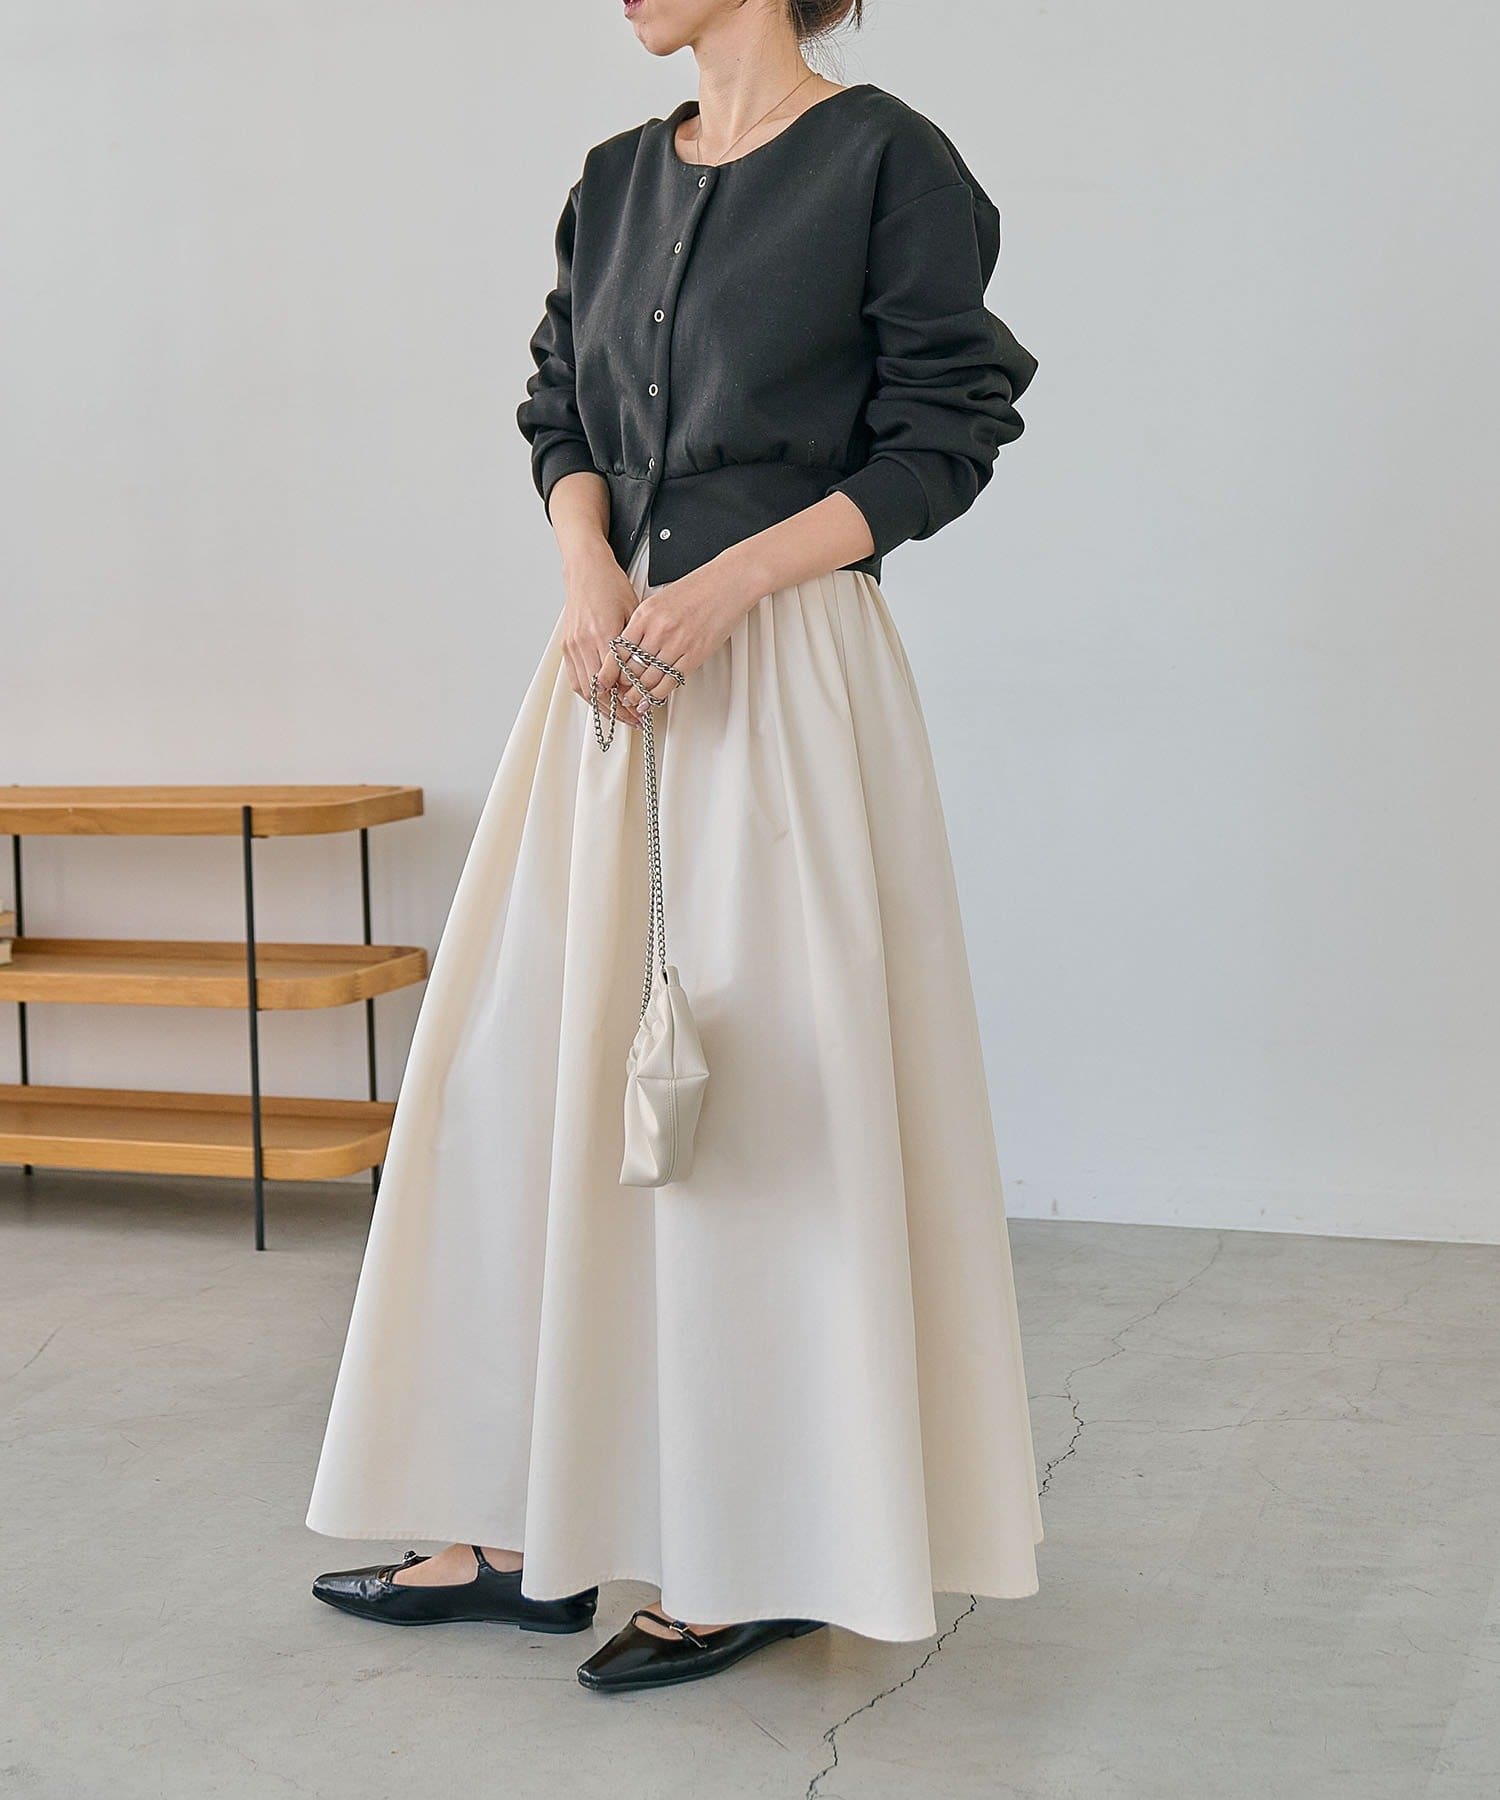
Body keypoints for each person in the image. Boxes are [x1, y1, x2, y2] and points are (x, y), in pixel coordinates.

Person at [307, 0, 1043, 1696]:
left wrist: (729, 584)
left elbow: (947, 435)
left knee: (756, 1116)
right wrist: (591, 573)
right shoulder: (615, 177)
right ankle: (521, 1527)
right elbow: (557, 409)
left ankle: (759, 1545)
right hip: (604, 672)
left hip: (777, 678)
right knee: (521, 1087)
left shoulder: (887, 160)